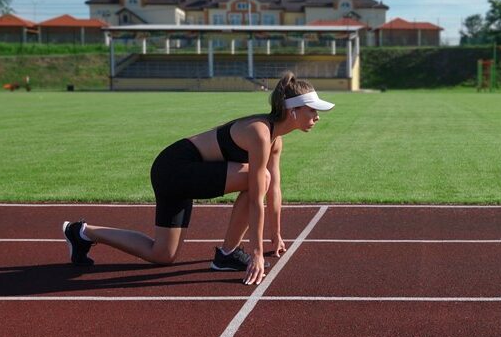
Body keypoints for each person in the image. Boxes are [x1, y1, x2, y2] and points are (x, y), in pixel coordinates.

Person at [62, 72, 333, 285]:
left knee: (163, 255)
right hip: (175, 168)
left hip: (182, 173)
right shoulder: (260, 133)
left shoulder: (275, 141)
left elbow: (275, 190)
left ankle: (82, 232)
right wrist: (257, 253)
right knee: (257, 178)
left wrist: (275, 235)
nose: (318, 117)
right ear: (293, 110)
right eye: (313, 110)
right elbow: (257, 194)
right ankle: (227, 254)